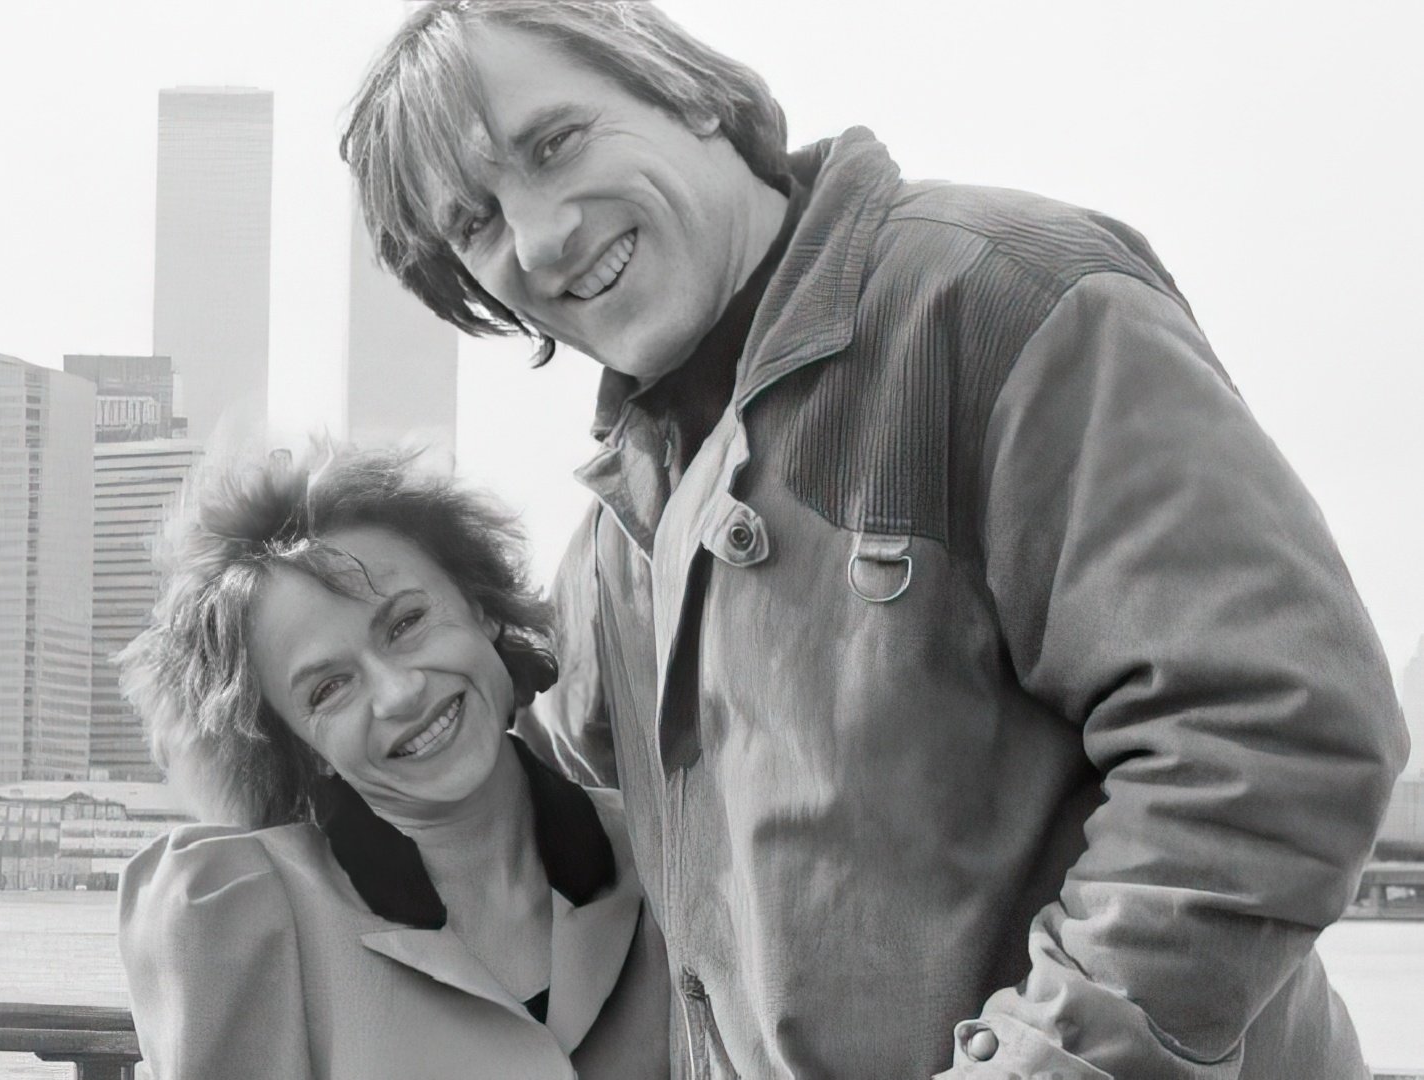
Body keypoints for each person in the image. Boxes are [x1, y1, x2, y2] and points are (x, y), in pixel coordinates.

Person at [340, 3, 1410, 1078]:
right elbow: (517, 812)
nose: (538, 237)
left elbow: (1269, 734)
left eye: (555, 142)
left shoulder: (1001, 301)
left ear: (688, 92)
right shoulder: (621, 543)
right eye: (474, 223)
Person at [114, 448, 670, 1080]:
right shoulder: (245, 917)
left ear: (481, 605)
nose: (400, 693)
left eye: (406, 622)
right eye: (328, 689)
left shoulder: (666, 853)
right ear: (300, 749)